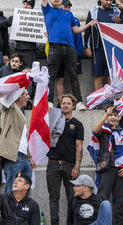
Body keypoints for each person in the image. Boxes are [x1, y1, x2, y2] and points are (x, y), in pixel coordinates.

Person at [37, 0, 97, 106]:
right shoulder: (47, 10)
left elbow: (76, 30)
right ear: (50, 0)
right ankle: (49, 102)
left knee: (73, 75)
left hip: (70, 48)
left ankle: (79, 102)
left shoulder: (68, 14)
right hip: (54, 47)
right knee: (52, 76)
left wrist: (89, 24)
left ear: (61, 0)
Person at [46, 94, 84, 225]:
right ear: (60, 105)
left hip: (70, 165)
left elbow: (79, 147)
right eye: (63, 103)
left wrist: (77, 166)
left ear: (73, 106)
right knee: (53, 198)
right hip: (53, 164)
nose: (65, 105)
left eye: (68, 103)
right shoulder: (53, 121)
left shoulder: (78, 125)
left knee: (72, 198)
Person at [92, 106, 123, 224]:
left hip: (121, 170)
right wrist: (105, 115)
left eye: (115, 115)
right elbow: (95, 130)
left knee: (119, 202)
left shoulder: (122, 132)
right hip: (107, 168)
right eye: (110, 115)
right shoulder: (104, 131)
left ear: (119, 117)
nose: (113, 117)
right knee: (103, 199)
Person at [0, 89, 36, 193]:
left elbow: (23, 139)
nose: (28, 97)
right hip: (13, 157)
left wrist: (29, 156)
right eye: (26, 94)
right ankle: (8, 210)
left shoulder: (21, 113)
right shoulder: (8, 108)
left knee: (26, 190)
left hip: (24, 158)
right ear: (19, 96)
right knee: (11, 189)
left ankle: (22, 209)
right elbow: (2, 102)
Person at [84, 0, 117, 91]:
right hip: (97, 48)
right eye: (106, 0)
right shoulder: (94, 11)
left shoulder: (116, 11)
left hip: (112, 48)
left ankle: (111, 102)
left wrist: (120, 22)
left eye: (111, 0)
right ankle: (98, 102)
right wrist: (87, 47)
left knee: (111, 75)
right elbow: (87, 30)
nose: (109, 2)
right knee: (98, 75)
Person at [56, 0, 86, 111]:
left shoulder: (74, 20)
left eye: (69, 7)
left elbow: (78, 38)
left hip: (72, 53)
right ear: (61, 7)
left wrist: (78, 53)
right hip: (58, 53)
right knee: (59, 79)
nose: (67, 9)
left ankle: (78, 102)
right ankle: (60, 103)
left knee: (74, 77)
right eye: (65, 7)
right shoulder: (56, 19)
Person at [0, 54, 26, 125]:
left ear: (21, 63)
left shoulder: (23, 73)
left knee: (20, 113)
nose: (14, 63)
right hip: (3, 98)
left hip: (17, 99)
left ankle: (21, 133)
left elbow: (28, 88)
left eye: (16, 62)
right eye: (12, 61)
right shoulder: (4, 69)